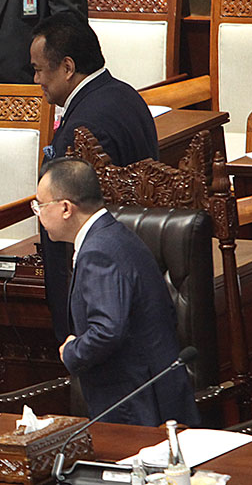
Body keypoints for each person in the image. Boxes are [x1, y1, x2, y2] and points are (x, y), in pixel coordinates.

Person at [35, 157, 197, 426]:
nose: (38, 214)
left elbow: (107, 330)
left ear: (65, 208)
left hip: (136, 407)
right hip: (146, 394)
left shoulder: (98, 251)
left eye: (40, 205)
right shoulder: (114, 235)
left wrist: (72, 351)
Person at [30, 12, 158, 342]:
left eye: (39, 69)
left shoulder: (81, 131)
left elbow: (70, 218)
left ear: (68, 67)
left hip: (96, 291)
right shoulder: (125, 95)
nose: (36, 80)